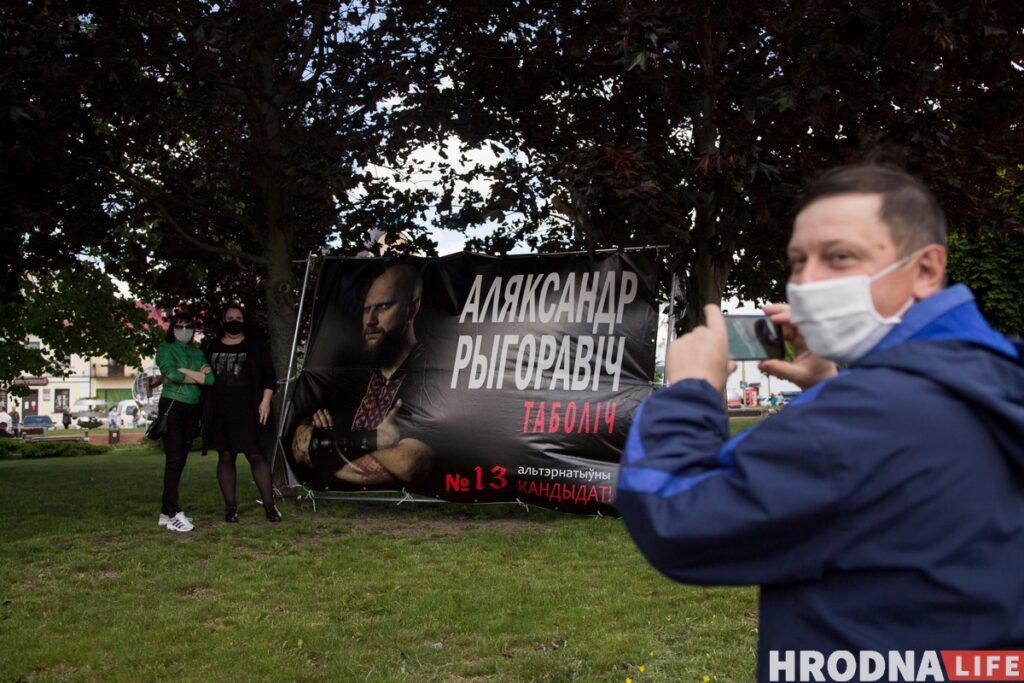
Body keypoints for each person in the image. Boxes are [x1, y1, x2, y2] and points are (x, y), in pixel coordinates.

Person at [616, 165, 1024, 680]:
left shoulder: (870, 415)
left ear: (925, 269)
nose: (806, 281)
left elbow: (678, 517)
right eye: (798, 261)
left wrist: (691, 391)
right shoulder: (990, 377)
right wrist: (829, 385)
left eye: (840, 257)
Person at [291, 264, 434, 487]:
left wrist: (326, 449)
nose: (370, 320)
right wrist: (372, 441)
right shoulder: (348, 375)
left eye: (384, 306)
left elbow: (409, 462)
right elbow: (301, 444)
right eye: (367, 309)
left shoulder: (431, 375)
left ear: (412, 307)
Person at [201, 304, 281, 523]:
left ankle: (270, 507)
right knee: (225, 455)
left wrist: (265, 402)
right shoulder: (209, 347)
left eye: (238, 317)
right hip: (221, 413)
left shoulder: (256, 347)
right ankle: (230, 508)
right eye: (230, 317)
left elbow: (269, 377)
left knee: (256, 455)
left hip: (251, 411)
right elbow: (200, 376)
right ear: (222, 321)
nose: (234, 320)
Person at [154, 311, 214, 533]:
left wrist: (184, 372)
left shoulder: (196, 352)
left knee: (180, 461)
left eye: (188, 326)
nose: (184, 330)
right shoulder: (165, 348)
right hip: (173, 406)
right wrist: (196, 376)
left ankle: (165, 510)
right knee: (174, 458)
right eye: (179, 326)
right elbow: (170, 373)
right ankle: (172, 512)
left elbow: (210, 379)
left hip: (193, 409)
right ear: (172, 328)